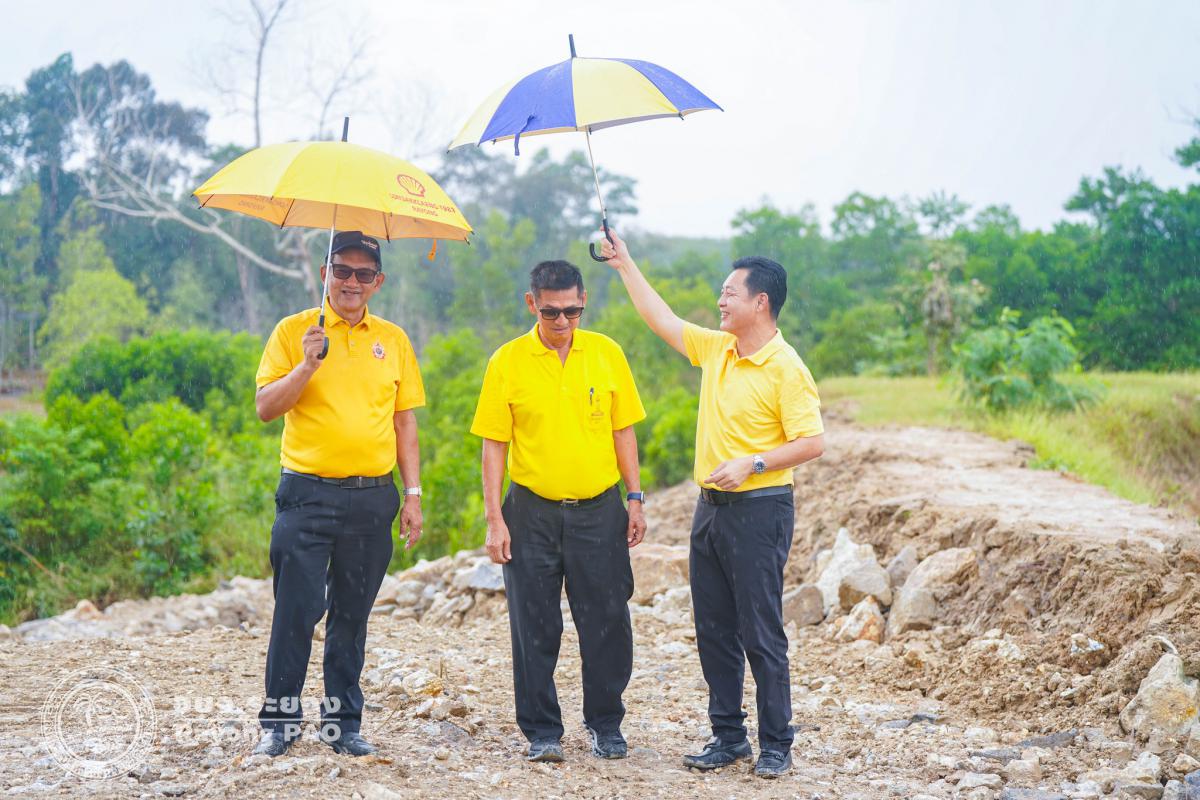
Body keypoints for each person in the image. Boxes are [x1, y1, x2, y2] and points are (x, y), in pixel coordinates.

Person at [600, 230, 824, 779]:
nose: (720, 301)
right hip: (710, 511)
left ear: (760, 302)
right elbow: (661, 319)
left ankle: (777, 743)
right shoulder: (718, 348)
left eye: (729, 293)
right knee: (714, 628)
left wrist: (754, 462)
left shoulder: (786, 367)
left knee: (760, 630)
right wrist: (624, 263)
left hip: (761, 509)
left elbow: (812, 441)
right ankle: (728, 736)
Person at [252, 230, 425, 758]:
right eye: (342, 271)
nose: (352, 282)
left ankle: (342, 725)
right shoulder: (294, 331)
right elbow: (265, 407)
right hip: (306, 494)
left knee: (351, 617)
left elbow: (404, 422)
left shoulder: (393, 340)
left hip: (372, 498)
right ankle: (279, 723)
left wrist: (412, 493)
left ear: (378, 281)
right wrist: (307, 365)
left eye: (363, 274)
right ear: (324, 271)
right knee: (296, 611)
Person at [470, 260, 648, 763]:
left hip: (599, 510)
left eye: (572, 310)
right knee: (534, 624)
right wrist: (494, 518)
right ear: (532, 304)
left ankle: (606, 724)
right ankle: (542, 730)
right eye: (551, 312)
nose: (563, 321)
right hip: (531, 512)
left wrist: (635, 498)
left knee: (608, 620)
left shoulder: (607, 353)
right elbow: (494, 445)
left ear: (583, 301)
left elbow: (623, 430)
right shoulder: (507, 361)